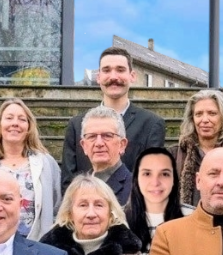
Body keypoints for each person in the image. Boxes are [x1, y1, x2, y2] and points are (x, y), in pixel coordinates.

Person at [62, 46, 166, 188]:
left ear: (132, 76)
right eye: (106, 70)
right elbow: (68, 182)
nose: (113, 77)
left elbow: (152, 180)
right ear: (98, 77)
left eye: (120, 70)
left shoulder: (151, 124)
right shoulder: (76, 125)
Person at [0, 98, 61, 239]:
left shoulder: (46, 163)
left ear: (28, 127)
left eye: (22, 119)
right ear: (0, 125)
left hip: (36, 244)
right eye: (9, 118)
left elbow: (57, 203)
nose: (15, 123)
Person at [171, 89, 223, 207]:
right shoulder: (175, 154)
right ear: (192, 118)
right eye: (199, 114)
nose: (204, 120)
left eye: (212, 113)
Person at [123, 146, 191, 247]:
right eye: (147, 174)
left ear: (174, 179)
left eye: (164, 174)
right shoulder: (117, 219)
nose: (155, 182)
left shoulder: (192, 217)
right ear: (136, 179)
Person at [73, 106, 134, 207]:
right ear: (84, 146)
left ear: (122, 145)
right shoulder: (76, 189)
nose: (99, 143)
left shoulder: (136, 189)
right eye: (92, 136)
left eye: (107, 135)